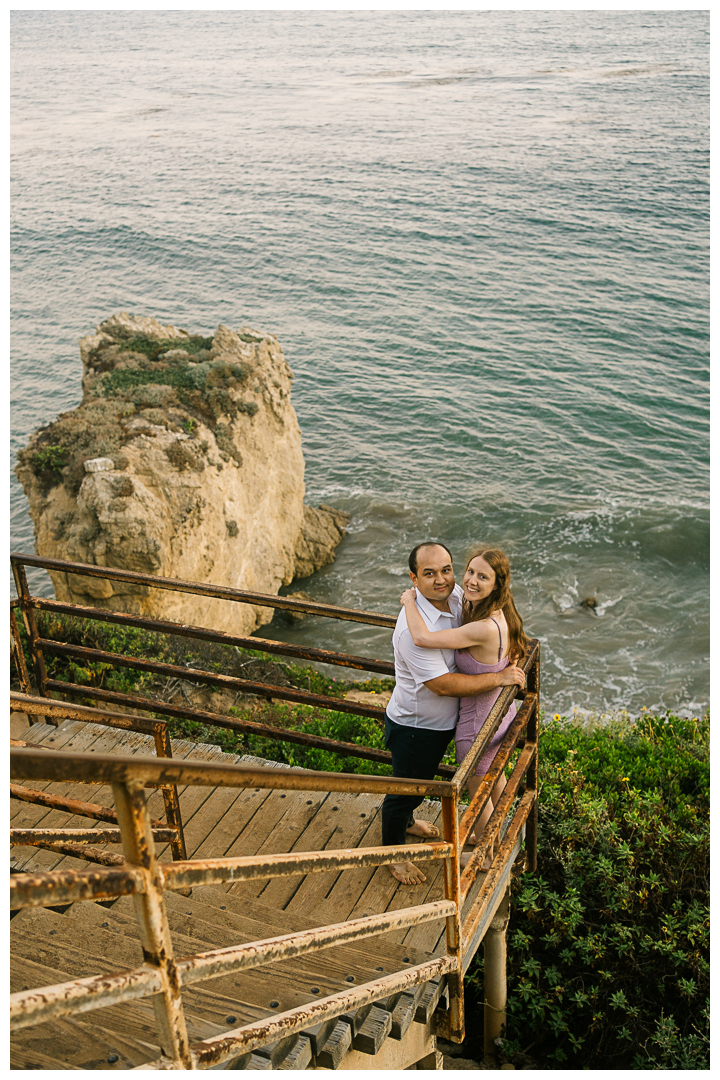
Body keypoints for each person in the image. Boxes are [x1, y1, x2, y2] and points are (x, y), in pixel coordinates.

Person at [384, 541, 526, 885]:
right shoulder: (410, 629)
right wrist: (501, 675)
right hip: (419, 726)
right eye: (429, 573)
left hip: (460, 721)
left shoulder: (458, 597)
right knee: (405, 791)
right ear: (414, 578)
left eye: (446, 569)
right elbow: (443, 685)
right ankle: (394, 855)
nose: (442, 579)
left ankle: (415, 824)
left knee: (423, 782)